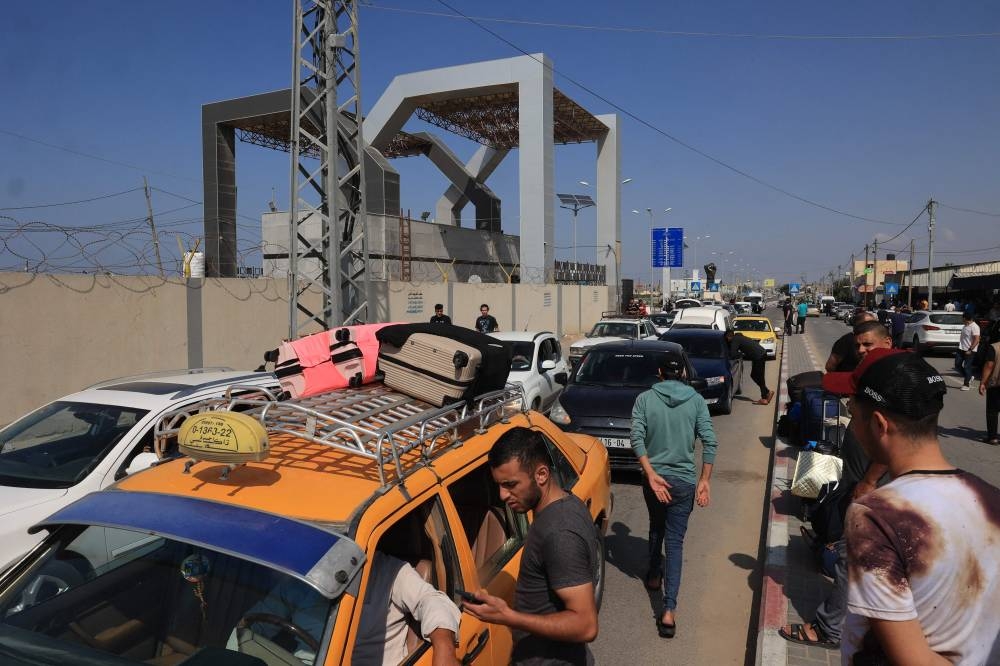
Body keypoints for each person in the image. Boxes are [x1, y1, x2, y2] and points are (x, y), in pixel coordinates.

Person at [829, 348, 1000, 664]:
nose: (851, 426)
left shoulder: (876, 516)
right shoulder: (990, 498)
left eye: (853, 413)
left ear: (879, 425)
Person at [780, 320, 892, 651]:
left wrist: (870, 481)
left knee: (849, 559)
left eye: (868, 345)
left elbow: (895, 439)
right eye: (858, 345)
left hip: (870, 490)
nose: (860, 350)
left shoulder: (892, 384)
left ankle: (830, 628)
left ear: (887, 341)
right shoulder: (874, 377)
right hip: (856, 481)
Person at [463, 428, 598, 665]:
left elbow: (585, 625)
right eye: (499, 485)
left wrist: (509, 617)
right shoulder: (561, 504)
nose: (503, 495)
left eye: (511, 484)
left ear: (541, 474)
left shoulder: (560, 534)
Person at [234, 554, 460, 666]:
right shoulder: (301, 579)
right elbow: (255, 623)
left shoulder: (389, 572)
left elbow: (430, 600)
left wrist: (443, 646)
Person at [630, 355, 715, 639]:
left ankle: (654, 575)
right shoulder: (697, 400)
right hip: (684, 482)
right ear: (683, 373)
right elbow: (710, 441)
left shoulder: (644, 399)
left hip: (654, 480)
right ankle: (669, 610)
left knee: (656, 525)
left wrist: (651, 474)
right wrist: (704, 481)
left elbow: (636, 438)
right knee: (675, 542)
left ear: (659, 372)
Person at [724, 329, 773, 405]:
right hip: (760, 354)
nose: (727, 340)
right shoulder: (738, 337)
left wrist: (741, 354)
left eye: (727, 338)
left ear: (728, 337)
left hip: (759, 356)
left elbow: (733, 354)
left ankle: (764, 398)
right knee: (754, 375)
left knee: (759, 376)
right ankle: (767, 392)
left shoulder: (735, 340)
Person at [980, 337, 1000, 446]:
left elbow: (989, 365)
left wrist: (983, 382)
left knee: (992, 411)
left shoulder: (995, 347)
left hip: (996, 384)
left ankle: (993, 438)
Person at [956, 311, 980, 390]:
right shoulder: (965, 325)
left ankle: (966, 385)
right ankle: (969, 377)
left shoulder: (974, 327)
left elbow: (977, 339)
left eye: (963, 318)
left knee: (967, 367)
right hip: (961, 348)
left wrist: (970, 349)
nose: (962, 319)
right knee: (957, 365)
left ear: (965, 318)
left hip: (970, 350)